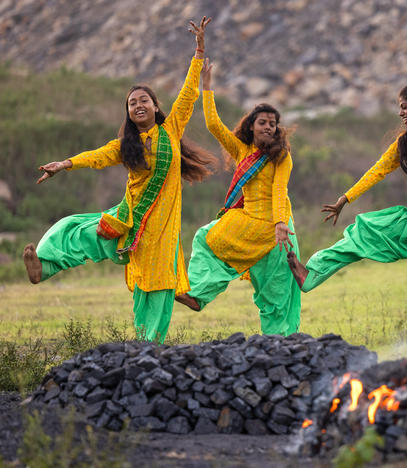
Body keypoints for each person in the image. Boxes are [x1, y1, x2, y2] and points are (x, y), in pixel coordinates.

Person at [287, 8, 407, 345]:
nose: (400, 111)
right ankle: (312, 273)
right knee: (366, 231)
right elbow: (378, 169)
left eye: (404, 105)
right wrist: (345, 199)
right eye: (398, 105)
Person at [22, 17, 216, 343]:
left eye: (143, 100)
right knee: (76, 230)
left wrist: (198, 51)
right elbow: (97, 155)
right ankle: (44, 266)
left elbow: (187, 95)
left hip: (160, 233)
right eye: (132, 103)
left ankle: (147, 344)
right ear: (128, 113)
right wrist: (65, 163)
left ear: (155, 106)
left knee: (154, 288)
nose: (138, 105)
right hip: (127, 222)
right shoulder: (125, 147)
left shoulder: (170, 130)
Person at [174, 58, 301, 336]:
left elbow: (280, 190)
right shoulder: (242, 150)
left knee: (275, 290)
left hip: (275, 227)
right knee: (206, 238)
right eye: (263, 122)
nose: (269, 127)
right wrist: (206, 86)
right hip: (249, 221)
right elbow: (213, 125)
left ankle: (281, 345)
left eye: (273, 124)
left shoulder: (281, 156)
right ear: (252, 126)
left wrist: (280, 223)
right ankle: (197, 294)